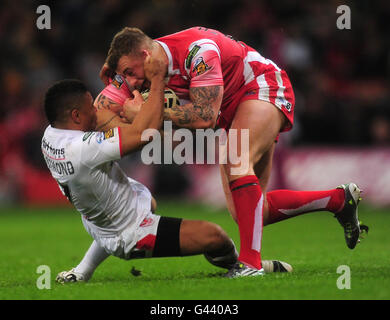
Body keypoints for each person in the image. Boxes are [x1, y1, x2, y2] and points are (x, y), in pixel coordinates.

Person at [99, 26, 368, 278]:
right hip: (234, 111)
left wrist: (152, 115)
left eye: (130, 72)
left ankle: (250, 264)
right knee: (251, 212)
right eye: (125, 76)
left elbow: (205, 117)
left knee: (236, 158)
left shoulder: (198, 52)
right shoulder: (139, 72)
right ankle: (338, 200)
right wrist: (108, 90)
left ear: (145, 56)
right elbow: (103, 108)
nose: (132, 83)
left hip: (262, 85)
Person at [41, 61, 289, 284]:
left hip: (97, 218)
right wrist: (156, 87)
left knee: (147, 199)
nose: (96, 112)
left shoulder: (50, 137)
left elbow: (115, 136)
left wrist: (120, 85)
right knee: (216, 236)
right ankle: (242, 265)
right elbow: (142, 134)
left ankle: (82, 271)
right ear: (75, 116)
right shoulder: (83, 149)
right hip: (131, 233)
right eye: (90, 109)